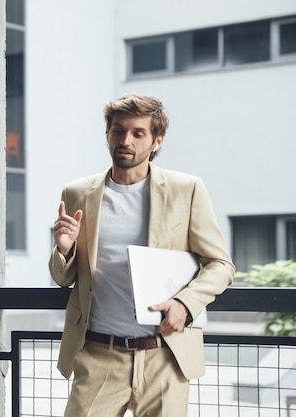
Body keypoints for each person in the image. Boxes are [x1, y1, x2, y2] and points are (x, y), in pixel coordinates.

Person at [49, 93, 235, 417]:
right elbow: (63, 277)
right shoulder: (77, 193)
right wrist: (64, 249)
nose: (125, 140)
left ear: (156, 141)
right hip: (98, 354)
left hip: (165, 356)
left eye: (138, 133)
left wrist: (185, 304)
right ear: (107, 133)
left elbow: (221, 265)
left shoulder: (186, 190)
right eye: (118, 130)